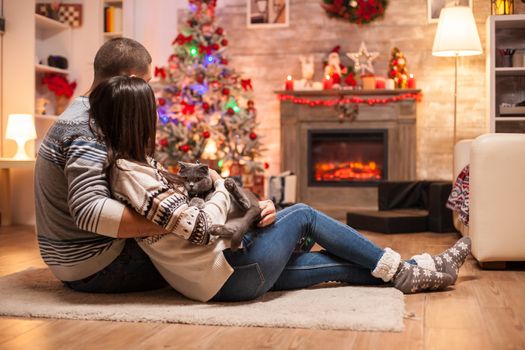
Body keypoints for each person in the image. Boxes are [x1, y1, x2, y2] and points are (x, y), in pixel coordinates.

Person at [89, 75, 472, 302]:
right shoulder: (130, 174)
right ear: (137, 118)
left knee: (328, 267)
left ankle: (416, 269)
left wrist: (230, 199)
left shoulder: (138, 167)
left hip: (223, 277)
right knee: (303, 214)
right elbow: (201, 228)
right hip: (226, 271)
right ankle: (410, 269)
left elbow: (191, 215)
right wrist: (223, 186)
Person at [34, 37, 277, 293]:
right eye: (147, 82)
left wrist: (179, 207)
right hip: (97, 264)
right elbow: (89, 211)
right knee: (230, 250)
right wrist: (175, 218)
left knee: (236, 238)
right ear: (129, 80)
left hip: (74, 261)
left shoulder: (85, 115)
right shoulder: (88, 127)